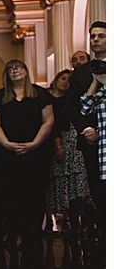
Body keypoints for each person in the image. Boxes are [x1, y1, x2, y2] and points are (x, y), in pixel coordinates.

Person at [0, 59, 54, 269]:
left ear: (26, 72)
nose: (15, 72)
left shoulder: (39, 94)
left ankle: (32, 236)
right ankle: (12, 234)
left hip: (35, 153)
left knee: (33, 196)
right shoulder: (0, 96)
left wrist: (35, 143)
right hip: (7, 154)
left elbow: (49, 120)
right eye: (10, 69)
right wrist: (6, 143)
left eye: (18, 68)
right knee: (9, 196)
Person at [68, 21, 105, 234]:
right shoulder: (82, 72)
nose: (96, 40)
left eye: (101, 36)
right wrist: (86, 130)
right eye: (93, 36)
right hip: (92, 140)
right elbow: (72, 105)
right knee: (97, 190)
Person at [46, 69, 92, 234]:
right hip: (59, 140)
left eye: (69, 80)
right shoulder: (49, 99)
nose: (66, 82)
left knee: (78, 179)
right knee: (61, 180)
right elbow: (54, 126)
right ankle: (64, 217)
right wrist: (58, 146)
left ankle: (80, 218)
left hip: (75, 139)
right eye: (63, 78)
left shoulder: (72, 100)